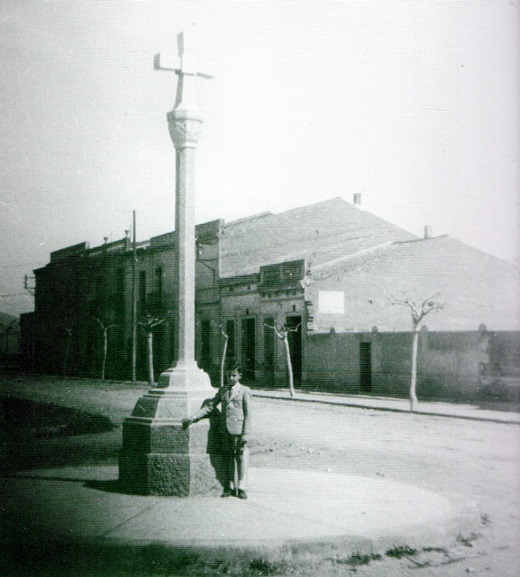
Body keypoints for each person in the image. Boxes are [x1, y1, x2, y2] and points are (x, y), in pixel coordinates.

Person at [182, 366, 252, 499]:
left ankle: (242, 487)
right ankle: (230, 486)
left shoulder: (244, 391)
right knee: (228, 456)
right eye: (228, 376)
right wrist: (194, 417)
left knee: (240, 457)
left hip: (238, 430)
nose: (230, 378)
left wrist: (245, 434)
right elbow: (210, 405)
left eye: (233, 375)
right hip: (224, 429)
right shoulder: (223, 390)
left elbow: (248, 414)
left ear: (239, 376)